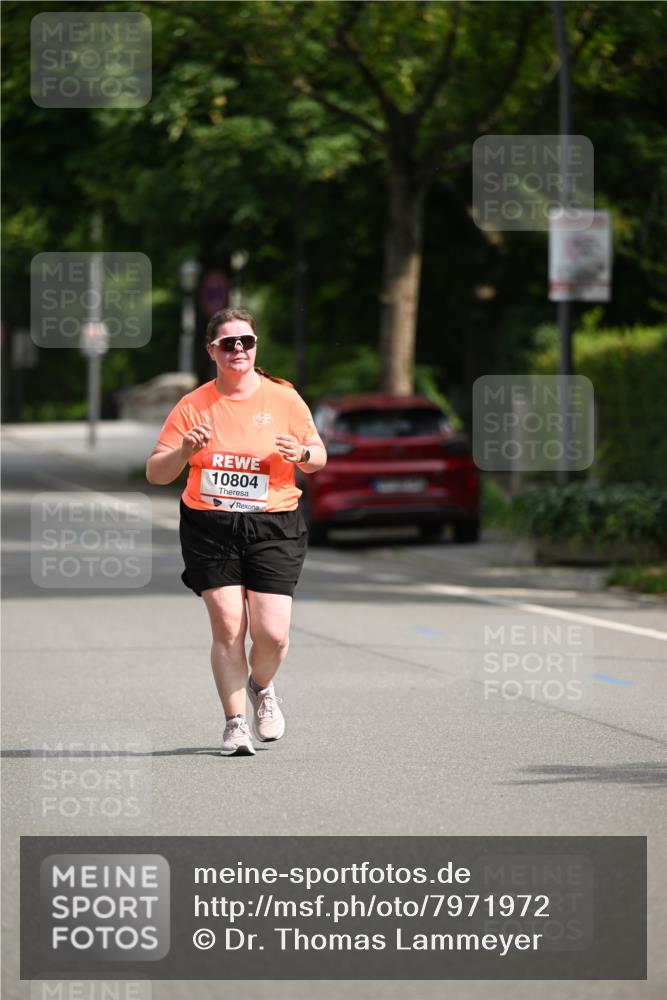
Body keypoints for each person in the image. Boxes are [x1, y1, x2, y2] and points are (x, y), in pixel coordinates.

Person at [146, 308, 326, 756]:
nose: (239, 349)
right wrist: (183, 451)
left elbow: (318, 456)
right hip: (211, 524)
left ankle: (261, 686)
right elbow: (156, 473)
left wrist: (302, 453)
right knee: (228, 625)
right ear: (212, 351)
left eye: (246, 341)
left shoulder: (284, 399)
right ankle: (235, 724)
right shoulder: (193, 405)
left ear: (256, 346)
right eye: (228, 343)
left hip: (274, 522)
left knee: (273, 634)